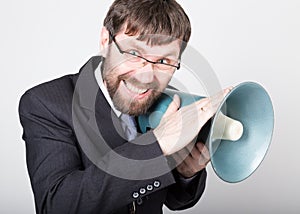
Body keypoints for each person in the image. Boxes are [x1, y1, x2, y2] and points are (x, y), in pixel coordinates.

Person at [19, 0, 230, 213]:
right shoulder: (45, 103)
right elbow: (55, 206)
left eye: (164, 62)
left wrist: (186, 174)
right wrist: (157, 144)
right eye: (134, 54)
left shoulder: (165, 100)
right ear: (105, 42)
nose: (146, 77)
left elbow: (173, 200)